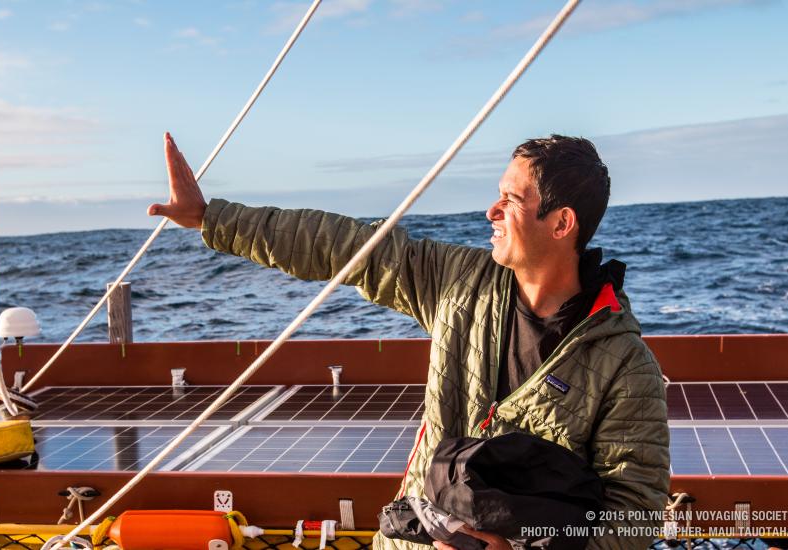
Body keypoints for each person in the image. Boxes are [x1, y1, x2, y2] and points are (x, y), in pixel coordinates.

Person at [149, 132, 670, 550]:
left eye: (510, 200)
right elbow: (344, 247)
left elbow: (635, 514)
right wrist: (209, 218)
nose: (490, 211)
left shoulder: (624, 364)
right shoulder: (458, 284)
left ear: (561, 223)